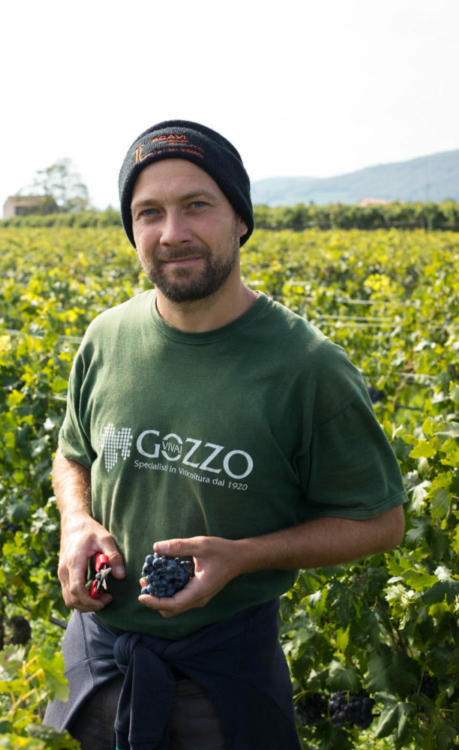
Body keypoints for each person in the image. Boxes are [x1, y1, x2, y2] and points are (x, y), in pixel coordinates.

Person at [44, 120, 407, 750]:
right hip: (92, 667)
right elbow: (72, 455)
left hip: (221, 683)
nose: (172, 233)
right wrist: (76, 520)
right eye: (148, 212)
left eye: (196, 206)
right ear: (131, 230)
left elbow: (380, 521)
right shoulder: (107, 336)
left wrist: (241, 557)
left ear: (240, 219)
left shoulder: (308, 367)